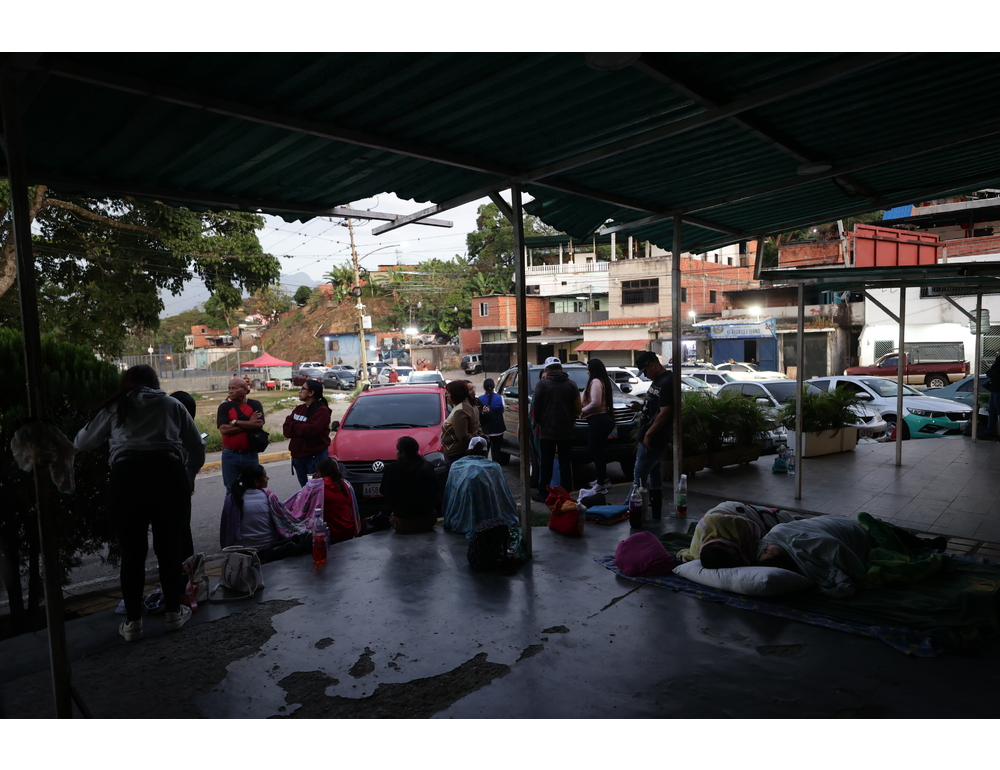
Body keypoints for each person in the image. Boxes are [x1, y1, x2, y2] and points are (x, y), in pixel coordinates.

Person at [74, 365, 205, 642]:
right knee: (169, 546)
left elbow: (83, 442)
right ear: (155, 381)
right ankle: (173, 614)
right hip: (169, 475)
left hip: (127, 477)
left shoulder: (116, 406)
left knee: (132, 551)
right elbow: (197, 447)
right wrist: (189, 475)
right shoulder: (171, 404)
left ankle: (133, 623)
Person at [219, 465, 309, 555]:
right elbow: (285, 521)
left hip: (243, 550)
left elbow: (226, 527)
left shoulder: (231, 499)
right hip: (268, 548)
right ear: (256, 482)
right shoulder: (269, 497)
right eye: (265, 475)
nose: (268, 478)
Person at [442, 437, 519, 536]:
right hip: (491, 519)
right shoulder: (494, 467)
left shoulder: (456, 466)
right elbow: (502, 493)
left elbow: (449, 493)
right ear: (486, 451)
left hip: (459, 520)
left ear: (468, 449)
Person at [631, 351, 673, 519]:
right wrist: (641, 407)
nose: (646, 376)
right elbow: (656, 407)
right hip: (648, 435)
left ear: (652, 365)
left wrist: (649, 434)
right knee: (654, 475)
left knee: (639, 476)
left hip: (655, 438)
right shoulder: (658, 380)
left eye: (645, 371)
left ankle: (631, 510)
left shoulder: (668, 381)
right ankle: (656, 510)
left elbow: (666, 411)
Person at [532, 356, 580, 501]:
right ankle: (565, 492)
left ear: (547, 369)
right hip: (566, 431)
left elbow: (536, 408)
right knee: (565, 462)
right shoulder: (572, 385)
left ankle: (543, 492)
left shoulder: (542, 385)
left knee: (546, 463)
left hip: (548, 431)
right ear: (562, 368)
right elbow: (578, 408)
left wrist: (541, 422)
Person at [168, 390, 205, 562]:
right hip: (180, 485)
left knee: (171, 535)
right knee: (182, 530)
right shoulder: (184, 430)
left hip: (172, 485)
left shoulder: (165, 429)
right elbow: (198, 449)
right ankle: (188, 574)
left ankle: (179, 574)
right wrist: (190, 476)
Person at [380, 436, 440, 533]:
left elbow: (384, 493)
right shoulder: (427, 466)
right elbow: (436, 490)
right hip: (427, 521)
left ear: (402, 452)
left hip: (402, 523)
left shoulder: (392, 468)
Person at [217, 377, 266, 496]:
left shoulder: (255, 404)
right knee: (231, 489)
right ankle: (232, 513)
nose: (230, 391)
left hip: (250, 454)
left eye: (234, 388)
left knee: (254, 487)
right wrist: (249, 423)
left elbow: (259, 424)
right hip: (230, 455)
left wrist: (235, 422)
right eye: (229, 388)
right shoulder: (225, 407)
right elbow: (223, 429)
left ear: (245, 390)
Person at [282, 380, 332, 486]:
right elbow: (286, 429)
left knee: (315, 490)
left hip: (314, 458)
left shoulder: (322, 410)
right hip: (298, 457)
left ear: (311, 393)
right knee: (305, 490)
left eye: (302, 389)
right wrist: (298, 427)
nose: (299, 391)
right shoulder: (299, 409)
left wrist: (294, 426)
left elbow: (310, 430)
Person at [581, 358, 615, 493]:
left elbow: (595, 402)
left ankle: (601, 483)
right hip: (600, 419)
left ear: (593, 369)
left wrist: (582, 411)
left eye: (588, 368)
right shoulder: (602, 381)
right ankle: (601, 478)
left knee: (596, 451)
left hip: (598, 420)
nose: (587, 371)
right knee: (598, 451)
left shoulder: (595, 382)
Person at [314, 457, 361, 544]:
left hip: (331, 535)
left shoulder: (318, 489)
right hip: (349, 531)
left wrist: (313, 482)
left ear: (320, 472)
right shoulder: (346, 485)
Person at [441, 379, 483, 464]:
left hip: (458, 453)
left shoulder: (460, 410)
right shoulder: (469, 405)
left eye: (448, 393)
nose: (446, 396)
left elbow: (463, 436)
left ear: (456, 393)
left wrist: (476, 439)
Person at [478, 378, 506, 463]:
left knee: (484, 452)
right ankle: (496, 468)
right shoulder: (500, 398)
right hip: (498, 429)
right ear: (494, 386)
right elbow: (503, 410)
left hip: (485, 430)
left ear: (484, 387)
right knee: (496, 451)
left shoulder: (479, 399)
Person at [986, 353, 1000, 439]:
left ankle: (989, 432)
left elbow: (993, 372)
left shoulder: (998, 363)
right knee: (993, 411)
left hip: (997, 389)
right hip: (995, 389)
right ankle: (989, 432)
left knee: (994, 411)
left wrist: (991, 372)